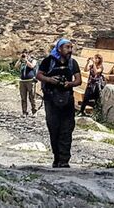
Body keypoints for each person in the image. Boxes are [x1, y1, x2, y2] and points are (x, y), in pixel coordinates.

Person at [36, 38, 81, 168]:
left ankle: (64, 160)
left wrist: (69, 84)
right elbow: (39, 75)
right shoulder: (48, 61)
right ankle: (57, 157)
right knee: (54, 128)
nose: (70, 50)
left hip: (67, 99)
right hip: (51, 100)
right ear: (59, 49)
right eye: (67, 47)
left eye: (71, 47)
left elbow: (78, 81)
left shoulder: (73, 63)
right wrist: (50, 80)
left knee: (67, 129)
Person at [17, 50, 38, 116]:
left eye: (25, 54)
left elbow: (32, 66)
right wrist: (20, 59)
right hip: (22, 81)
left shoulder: (33, 60)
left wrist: (26, 60)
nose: (24, 55)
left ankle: (34, 111)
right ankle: (24, 112)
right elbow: (16, 67)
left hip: (30, 81)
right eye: (23, 54)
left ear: (28, 54)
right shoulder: (22, 62)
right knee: (23, 98)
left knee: (32, 97)